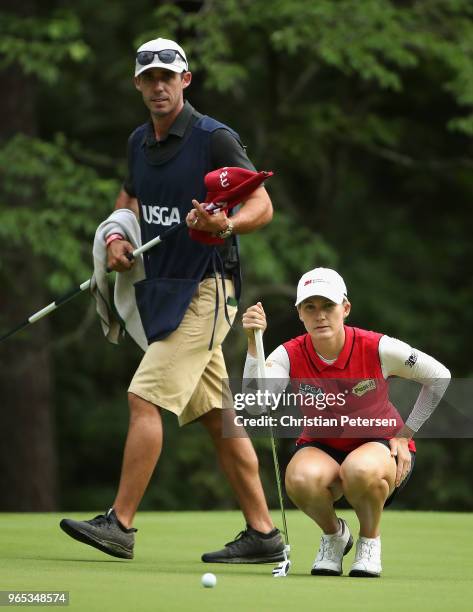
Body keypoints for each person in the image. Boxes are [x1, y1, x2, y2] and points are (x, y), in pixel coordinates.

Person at [60, 37, 285, 564]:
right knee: (215, 415)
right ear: (138, 84)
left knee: (144, 397)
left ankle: (120, 524)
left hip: (208, 289)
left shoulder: (213, 138)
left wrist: (224, 222)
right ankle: (264, 534)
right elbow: (130, 197)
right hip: (164, 289)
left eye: (168, 76)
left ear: (185, 80)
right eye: (149, 77)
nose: (159, 85)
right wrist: (117, 238)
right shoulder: (140, 141)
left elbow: (263, 204)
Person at [242, 267, 450, 577]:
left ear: (345, 308)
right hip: (322, 445)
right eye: (310, 307)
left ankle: (369, 540)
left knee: (359, 469)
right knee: (299, 479)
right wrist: (252, 343)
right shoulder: (289, 354)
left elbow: (440, 377)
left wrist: (406, 435)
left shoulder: (378, 347)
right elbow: (258, 406)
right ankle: (335, 536)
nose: (320, 315)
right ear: (299, 313)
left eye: (328, 306)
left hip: (379, 447)